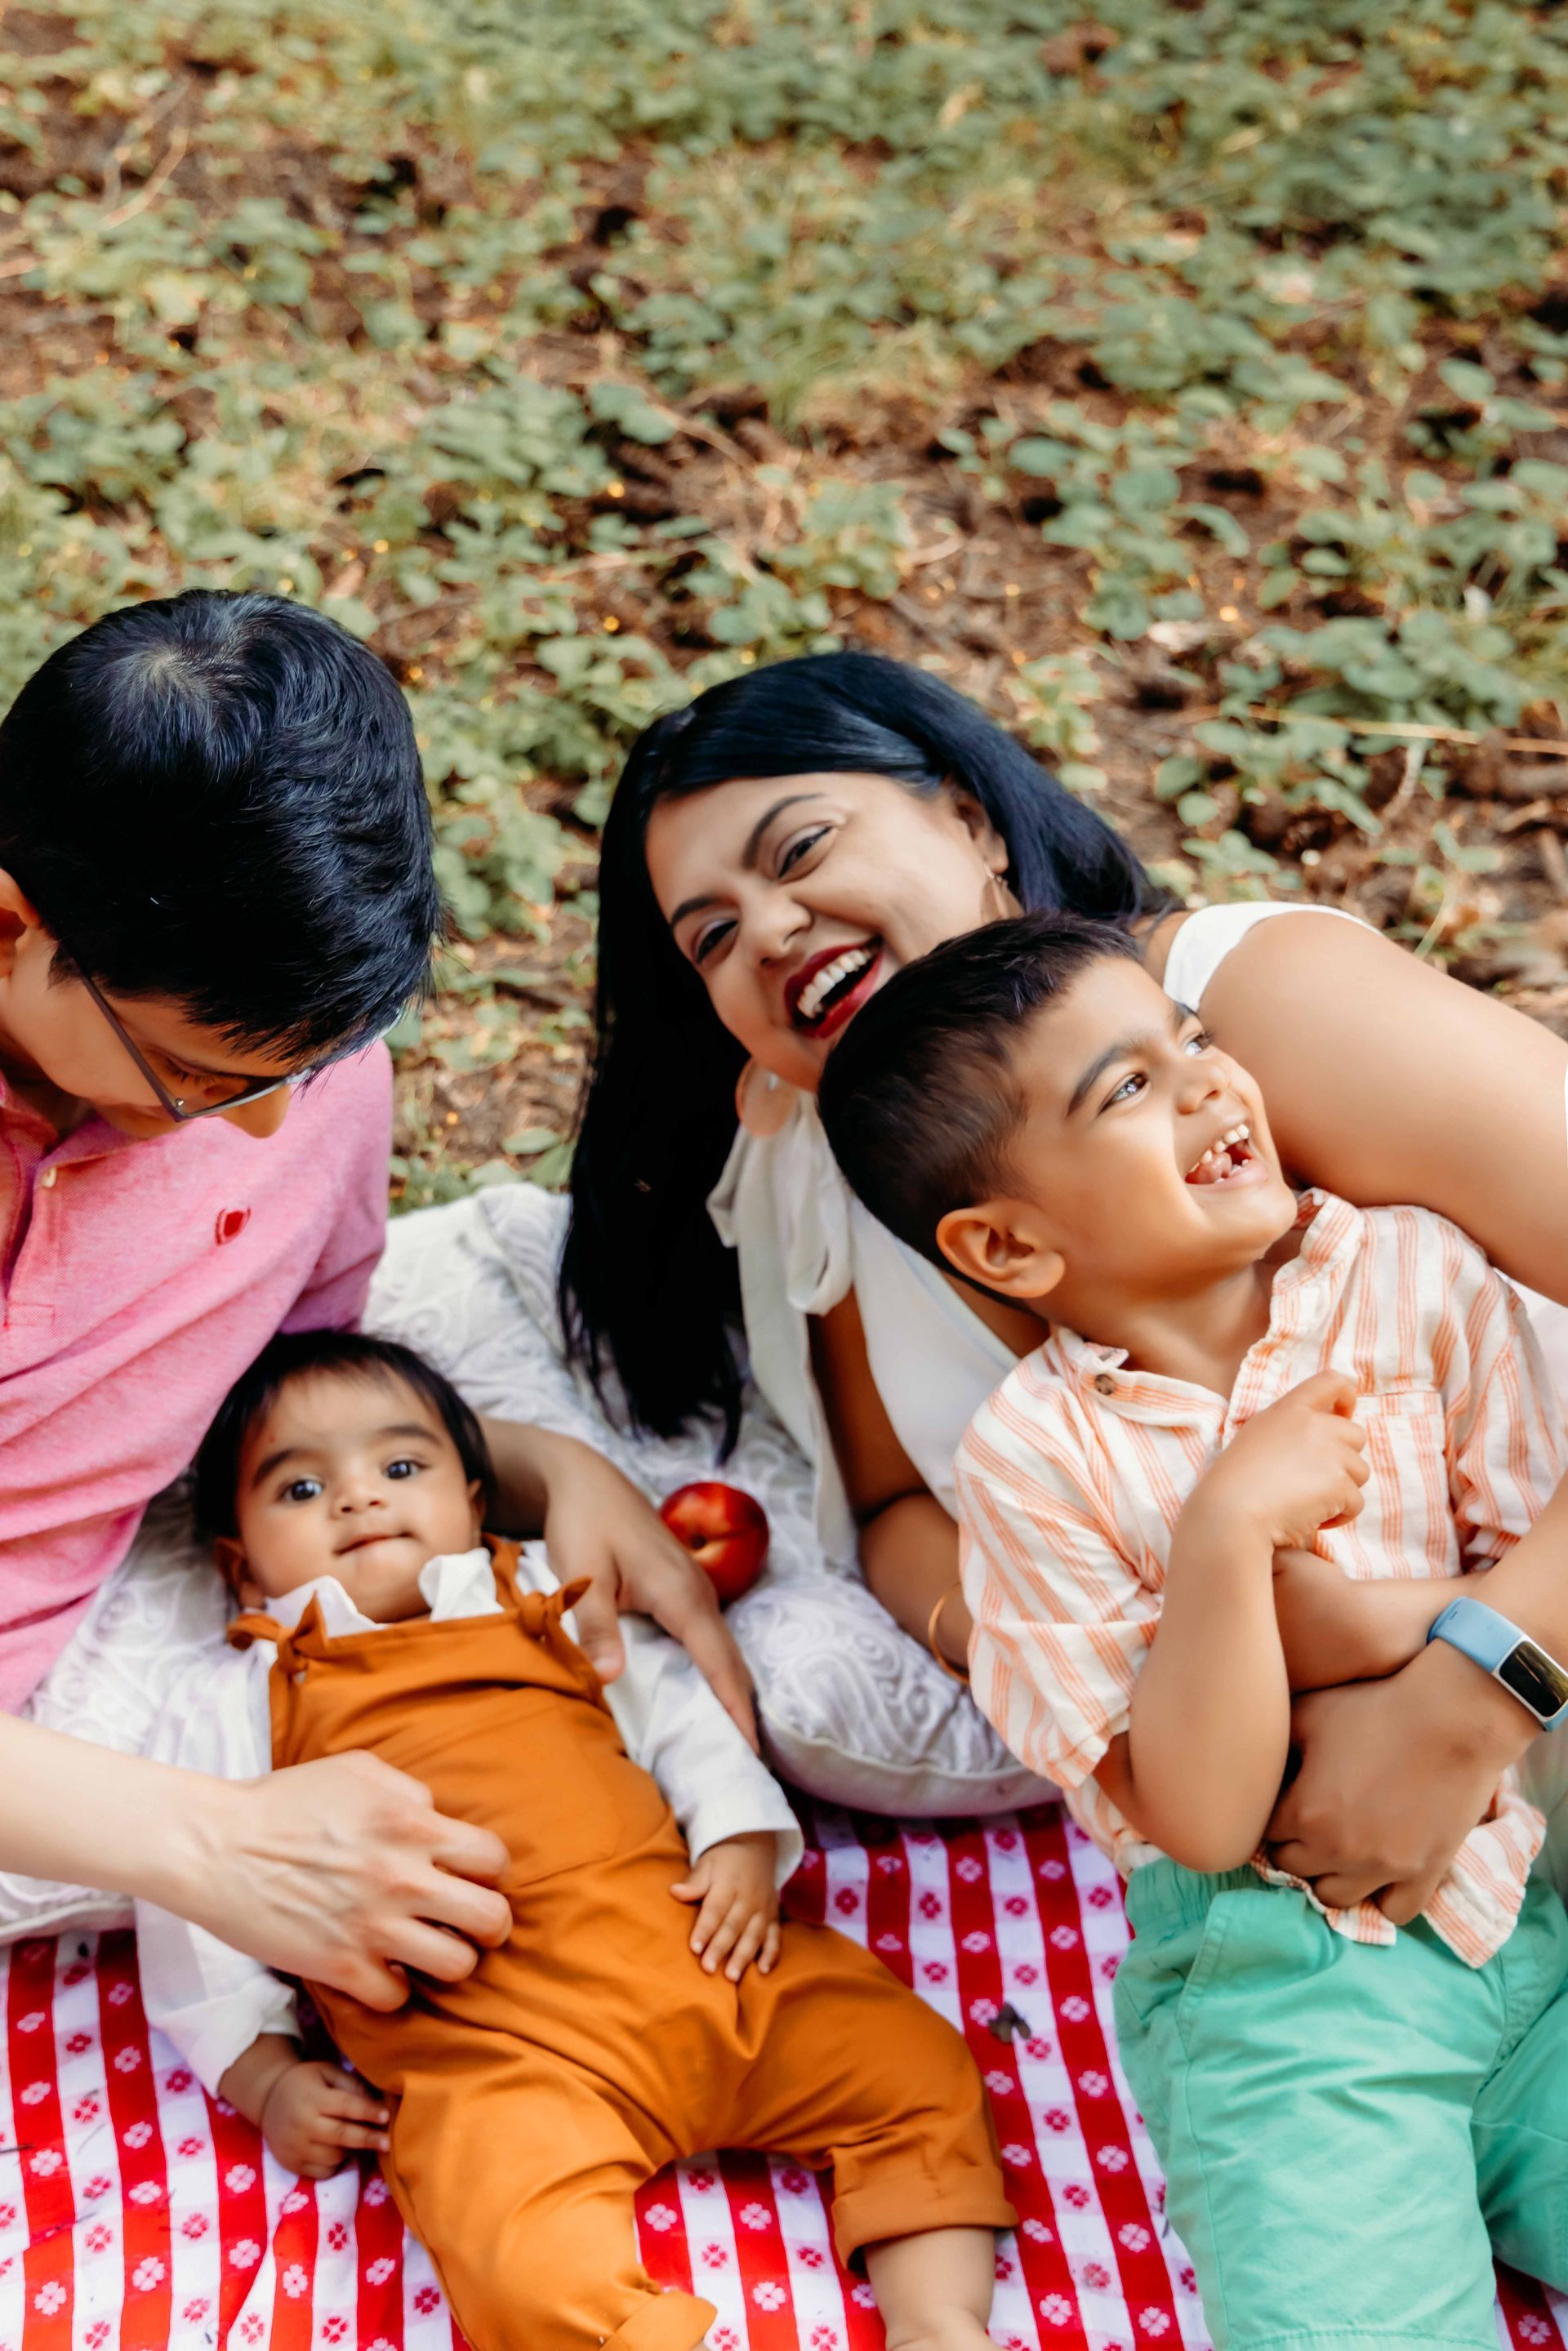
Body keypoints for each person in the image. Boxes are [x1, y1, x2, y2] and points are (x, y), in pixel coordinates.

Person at [562, 647, 1568, 1890]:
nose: (767, 930)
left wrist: (1475, 1694)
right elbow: (895, 1511)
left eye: (801, 849)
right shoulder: (832, 1165)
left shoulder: (1232, 1018)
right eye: (710, 935)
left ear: (972, 820)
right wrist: (1112, 1682)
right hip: (1274, 1846)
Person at [817, 911, 1568, 2350]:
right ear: (1006, 1242)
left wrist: (1349, 1622)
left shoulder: (1415, 1276)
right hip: (1282, 2008)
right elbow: (1209, 1814)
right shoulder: (1032, 1460)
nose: (1215, 1086)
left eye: (1200, 1044)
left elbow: (1540, 1566)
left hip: (1525, 1925)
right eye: (1132, 1086)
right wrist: (1225, 1540)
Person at [0, 590, 746, 2002]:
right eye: (200, 1080)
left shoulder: (302, 1052)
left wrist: (526, 1464)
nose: (272, 1130)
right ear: (12, 929)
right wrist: (210, 1841)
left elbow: (273, 1360)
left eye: (313, 1063)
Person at [138, 1329, 1018, 2351]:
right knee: (502, 2243)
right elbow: (184, 1879)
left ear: (474, 1504)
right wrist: (265, 2071)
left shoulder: (543, 1595)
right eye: (299, 1489)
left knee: (910, 2065)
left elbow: (681, 1715)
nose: (359, 1498)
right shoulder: (242, 1690)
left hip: (709, 1969)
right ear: (239, 1565)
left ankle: (939, 2321)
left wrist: (736, 1837)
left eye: (402, 1465)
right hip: (494, 2059)